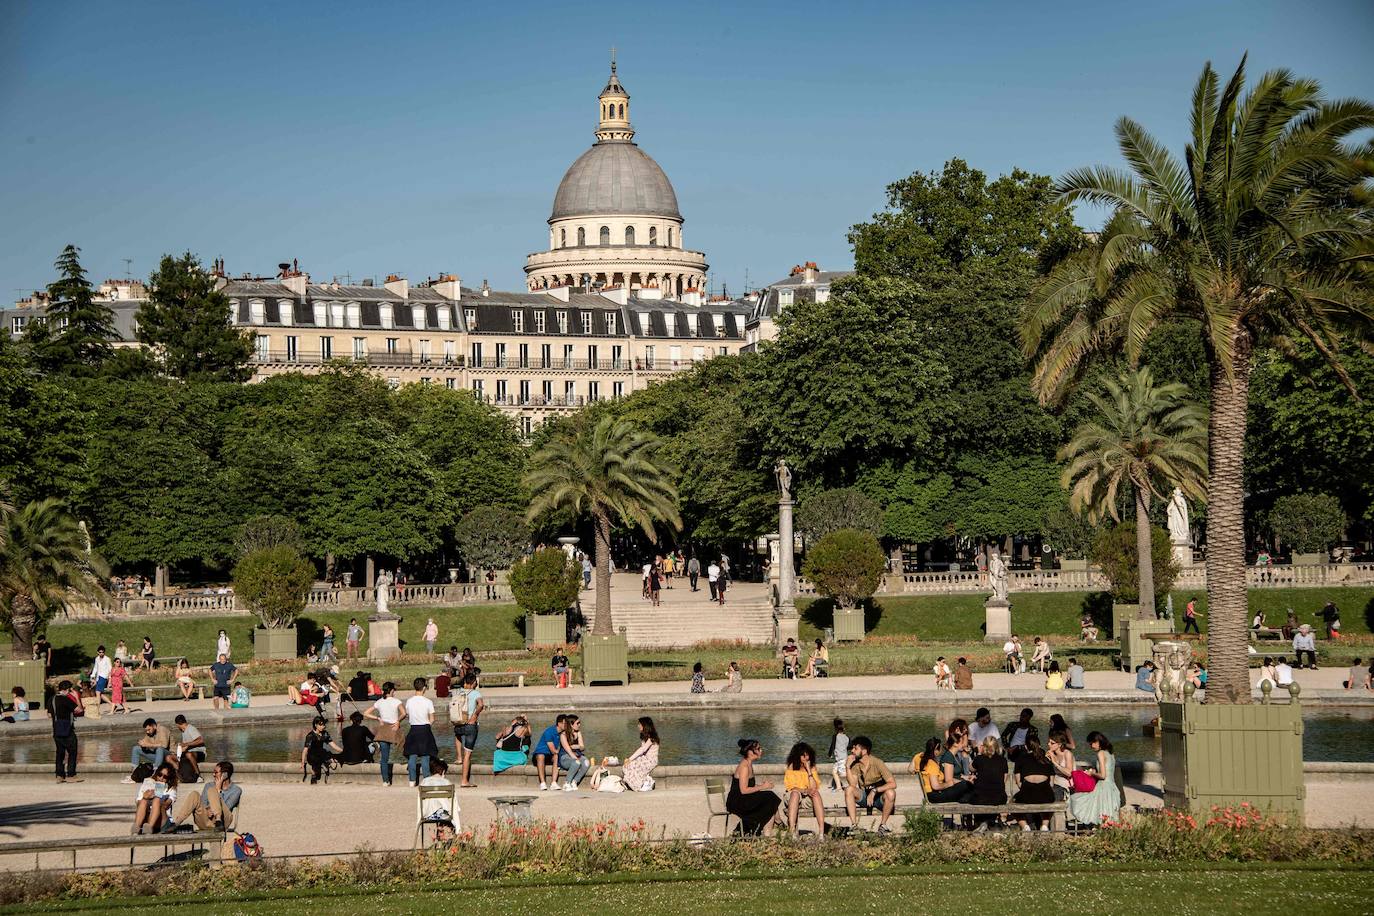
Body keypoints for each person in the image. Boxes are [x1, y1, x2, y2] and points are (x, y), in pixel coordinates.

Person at [727, 738, 783, 836]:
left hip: (744, 798)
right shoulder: (744, 767)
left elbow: (749, 786)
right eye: (758, 749)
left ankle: (769, 831)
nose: (761, 750)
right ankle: (776, 824)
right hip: (737, 801)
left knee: (769, 801)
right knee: (769, 798)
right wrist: (762, 786)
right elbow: (744, 790)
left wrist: (762, 786)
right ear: (750, 752)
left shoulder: (748, 764)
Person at [1068, 731, 1121, 828]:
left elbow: (1103, 775)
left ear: (1097, 741)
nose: (1090, 746)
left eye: (1091, 743)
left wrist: (1092, 773)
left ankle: (1098, 829)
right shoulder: (1110, 753)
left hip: (1103, 786)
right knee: (1108, 812)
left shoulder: (1100, 753)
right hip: (1112, 786)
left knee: (1080, 801)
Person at [845, 736, 897, 833]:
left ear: (864, 751)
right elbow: (852, 784)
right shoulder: (855, 765)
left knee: (891, 793)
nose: (852, 751)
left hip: (879, 797)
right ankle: (854, 825)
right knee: (848, 789)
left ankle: (883, 825)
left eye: (855, 748)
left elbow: (893, 784)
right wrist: (847, 767)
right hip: (865, 796)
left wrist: (874, 791)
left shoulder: (877, 762)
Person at [171, 760, 241, 831]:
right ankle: (176, 823)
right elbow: (203, 803)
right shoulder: (209, 785)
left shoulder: (236, 790)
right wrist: (207, 809)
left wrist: (218, 790)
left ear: (225, 775)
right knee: (194, 794)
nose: (213, 774)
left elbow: (227, 807)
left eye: (216, 772)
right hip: (206, 820)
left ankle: (218, 821)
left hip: (223, 822)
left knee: (213, 790)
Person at [363, 681, 406, 786]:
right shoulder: (396, 701)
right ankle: (411, 775)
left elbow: (365, 713)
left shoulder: (379, 702)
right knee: (405, 748)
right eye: (394, 690)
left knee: (384, 758)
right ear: (391, 691)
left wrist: (378, 718)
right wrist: (397, 721)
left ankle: (385, 781)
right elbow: (404, 713)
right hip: (393, 728)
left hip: (383, 730)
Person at [1013, 735, 1057, 830]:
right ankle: (1045, 825)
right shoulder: (1046, 759)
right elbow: (1051, 784)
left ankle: (1025, 826)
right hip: (1045, 793)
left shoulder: (1020, 759)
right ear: (1039, 745)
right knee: (1050, 799)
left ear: (1025, 746)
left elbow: (1019, 783)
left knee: (1013, 804)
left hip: (1027, 794)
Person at [782, 742, 826, 837]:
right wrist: (805, 791)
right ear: (797, 756)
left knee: (816, 793)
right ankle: (792, 831)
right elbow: (791, 787)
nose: (806, 758)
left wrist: (809, 771)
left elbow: (814, 787)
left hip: (807, 798)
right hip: (793, 797)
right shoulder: (792, 767)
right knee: (795, 793)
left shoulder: (812, 767)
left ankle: (821, 832)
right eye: (803, 755)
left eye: (807, 755)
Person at [449, 672, 484, 787]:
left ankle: (458, 757)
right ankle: (464, 781)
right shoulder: (475, 693)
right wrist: (475, 715)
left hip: (458, 724)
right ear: (474, 682)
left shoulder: (458, 692)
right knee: (468, 755)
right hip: (470, 725)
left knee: (458, 736)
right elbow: (481, 704)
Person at [403, 677, 438, 787]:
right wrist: (428, 724)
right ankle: (426, 779)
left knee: (412, 755)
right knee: (425, 756)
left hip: (413, 729)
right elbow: (432, 718)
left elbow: (408, 715)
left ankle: (412, 780)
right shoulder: (428, 701)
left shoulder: (409, 701)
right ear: (424, 688)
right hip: (425, 728)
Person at [925, 733, 975, 804]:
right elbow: (949, 780)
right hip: (949, 789)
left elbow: (957, 774)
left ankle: (968, 813)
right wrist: (965, 782)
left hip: (955, 787)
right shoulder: (948, 757)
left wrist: (967, 777)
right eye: (962, 742)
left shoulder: (955, 756)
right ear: (955, 744)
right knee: (969, 787)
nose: (964, 744)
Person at [970, 735, 1009, 825]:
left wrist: (979, 753)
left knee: (972, 795)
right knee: (994, 796)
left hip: (980, 797)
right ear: (996, 747)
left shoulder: (979, 759)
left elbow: (971, 768)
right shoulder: (1003, 760)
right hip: (998, 797)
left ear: (984, 746)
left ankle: (981, 823)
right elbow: (1004, 780)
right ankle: (990, 822)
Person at [51, 680, 83, 784]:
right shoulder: (66, 699)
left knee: (60, 753)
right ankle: (71, 775)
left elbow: (48, 714)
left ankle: (59, 775)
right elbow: (79, 710)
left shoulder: (52, 699)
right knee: (72, 751)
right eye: (70, 690)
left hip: (56, 729)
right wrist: (77, 697)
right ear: (67, 689)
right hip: (67, 729)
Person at [133, 762, 178, 834]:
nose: (161, 778)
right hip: (147, 818)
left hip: (162, 819)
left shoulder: (171, 789)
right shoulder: (148, 784)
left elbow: (166, 805)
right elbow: (138, 803)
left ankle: (148, 829)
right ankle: (136, 829)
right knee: (143, 801)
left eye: (165, 777)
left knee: (156, 800)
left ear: (169, 778)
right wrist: (145, 797)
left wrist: (157, 796)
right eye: (160, 775)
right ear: (157, 773)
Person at [419, 758, 458, 842]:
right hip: (442, 815)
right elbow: (454, 804)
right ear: (443, 771)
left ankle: (440, 834)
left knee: (441, 810)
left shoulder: (424, 782)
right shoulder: (447, 782)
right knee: (447, 813)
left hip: (427, 814)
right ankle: (454, 837)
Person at [622, 716, 660, 791]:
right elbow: (642, 751)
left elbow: (642, 749)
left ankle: (643, 784)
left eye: (640, 724)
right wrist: (630, 760)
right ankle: (636, 784)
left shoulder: (651, 737)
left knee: (634, 766)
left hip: (651, 760)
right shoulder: (644, 736)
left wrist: (630, 759)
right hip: (645, 758)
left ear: (645, 725)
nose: (638, 726)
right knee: (628, 766)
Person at [302, 716, 342, 784]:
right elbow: (305, 750)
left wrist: (343, 751)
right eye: (321, 724)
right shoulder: (310, 736)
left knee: (334, 756)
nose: (323, 726)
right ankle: (314, 775)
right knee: (316, 760)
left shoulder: (325, 733)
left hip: (321, 753)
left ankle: (323, 764)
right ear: (316, 725)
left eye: (324, 724)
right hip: (312, 755)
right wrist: (302, 762)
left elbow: (333, 745)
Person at [532, 714, 565, 790]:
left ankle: (553, 783)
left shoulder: (562, 733)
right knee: (541, 756)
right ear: (559, 724)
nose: (567, 725)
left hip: (550, 755)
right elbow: (553, 750)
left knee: (556, 756)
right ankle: (543, 783)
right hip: (539, 754)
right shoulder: (549, 731)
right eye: (565, 723)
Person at [558, 714, 590, 790]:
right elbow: (568, 751)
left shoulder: (578, 733)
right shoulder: (563, 735)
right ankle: (567, 783)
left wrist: (577, 746)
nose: (579, 725)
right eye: (577, 723)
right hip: (565, 757)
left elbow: (582, 747)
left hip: (577, 755)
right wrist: (576, 758)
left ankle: (574, 781)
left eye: (579, 723)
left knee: (586, 762)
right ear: (571, 725)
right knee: (577, 762)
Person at [174, 714, 206, 779]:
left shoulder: (191, 729)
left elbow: (200, 740)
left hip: (200, 752)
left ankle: (198, 775)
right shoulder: (183, 732)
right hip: (190, 752)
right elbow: (187, 746)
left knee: (188, 754)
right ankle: (178, 775)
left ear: (177, 724)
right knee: (170, 757)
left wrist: (185, 744)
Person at [1047, 729, 1075, 801]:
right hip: (1054, 783)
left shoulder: (1067, 753)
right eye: (1049, 742)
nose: (1048, 744)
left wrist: (1055, 763)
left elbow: (1069, 773)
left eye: (1052, 743)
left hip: (1065, 785)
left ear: (1059, 744)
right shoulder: (1051, 754)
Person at [828, 718, 850, 790]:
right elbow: (849, 746)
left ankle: (851, 785)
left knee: (843, 774)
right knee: (834, 772)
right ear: (844, 728)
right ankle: (839, 787)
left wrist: (830, 754)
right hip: (843, 757)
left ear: (835, 728)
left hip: (841, 759)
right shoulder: (847, 737)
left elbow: (832, 745)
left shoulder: (835, 736)